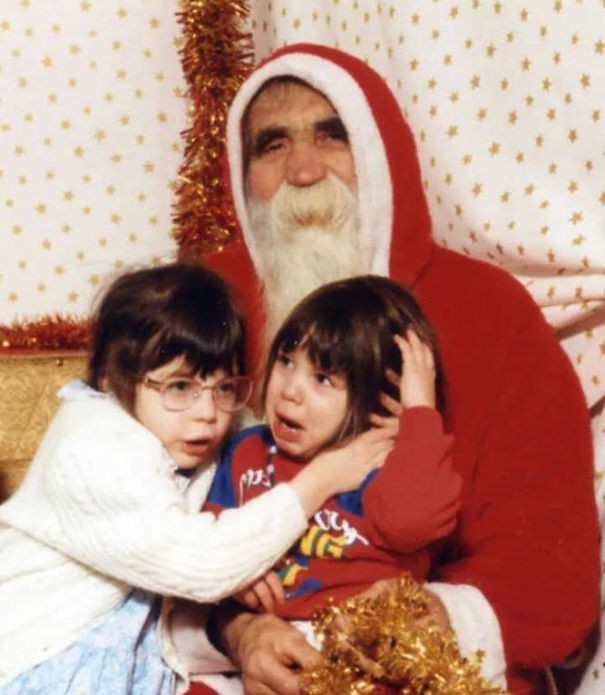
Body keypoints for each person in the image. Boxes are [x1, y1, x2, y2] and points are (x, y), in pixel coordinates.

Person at [197, 44, 600, 695]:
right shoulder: (204, 304)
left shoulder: (488, 310)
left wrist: (426, 617)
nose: (303, 170)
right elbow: (136, 524)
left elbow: (551, 568)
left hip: (433, 664)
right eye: (272, 145)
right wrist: (235, 631)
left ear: (381, 151)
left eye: (331, 136)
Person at [0, 262, 394, 694]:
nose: (208, 413)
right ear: (113, 379)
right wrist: (323, 478)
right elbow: (202, 562)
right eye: (180, 387)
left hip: (124, 671)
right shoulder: (92, 441)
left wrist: (401, 428)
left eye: (223, 388)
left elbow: (255, 464)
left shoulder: (188, 434)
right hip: (34, 654)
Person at [205, 276, 461, 645]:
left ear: (380, 398)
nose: (290, 391)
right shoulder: (248, 451)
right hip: (272, 641)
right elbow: (209, 539)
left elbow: (411, 523)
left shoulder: (387, 463)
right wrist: (237, 579)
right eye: (286, 362)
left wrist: (419, 414)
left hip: (366, 645)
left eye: (322, 379)